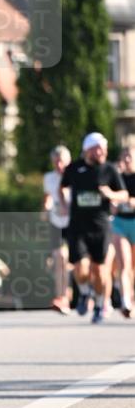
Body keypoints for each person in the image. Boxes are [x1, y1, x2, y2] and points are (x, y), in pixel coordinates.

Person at [60, 131, 127, 323]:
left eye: (103, 148)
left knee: (99, 270)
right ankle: (84, 292)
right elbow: (63, 186)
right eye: (98, 148)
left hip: (101, 227)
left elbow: (123, 194)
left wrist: (110, 194)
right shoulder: (74, 168)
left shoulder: (109, 170)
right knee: (80, 268)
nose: (102, 152)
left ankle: (98, 304)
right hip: (78, 226)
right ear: (87, 150)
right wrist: (64, 204)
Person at [42, 144, 72, 315]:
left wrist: (68, 208)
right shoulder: (49, 178)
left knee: (76, 265)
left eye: (61, 161)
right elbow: (47, 198)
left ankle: (86, 294)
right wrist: (46, 207)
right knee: (60, 259)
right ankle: (61, 297)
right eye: (55, 162)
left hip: (74, 224)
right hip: (56, 223)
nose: (59, 165)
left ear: (68, 161)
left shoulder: (76, 176)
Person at [112, 146, 135, 317]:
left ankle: (132, 298)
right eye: (124, 156)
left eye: (130, 156)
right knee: (124, 263)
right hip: (119, 223)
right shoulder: (116, 177)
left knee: (133, 266)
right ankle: (125, 300)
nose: (127, 159)